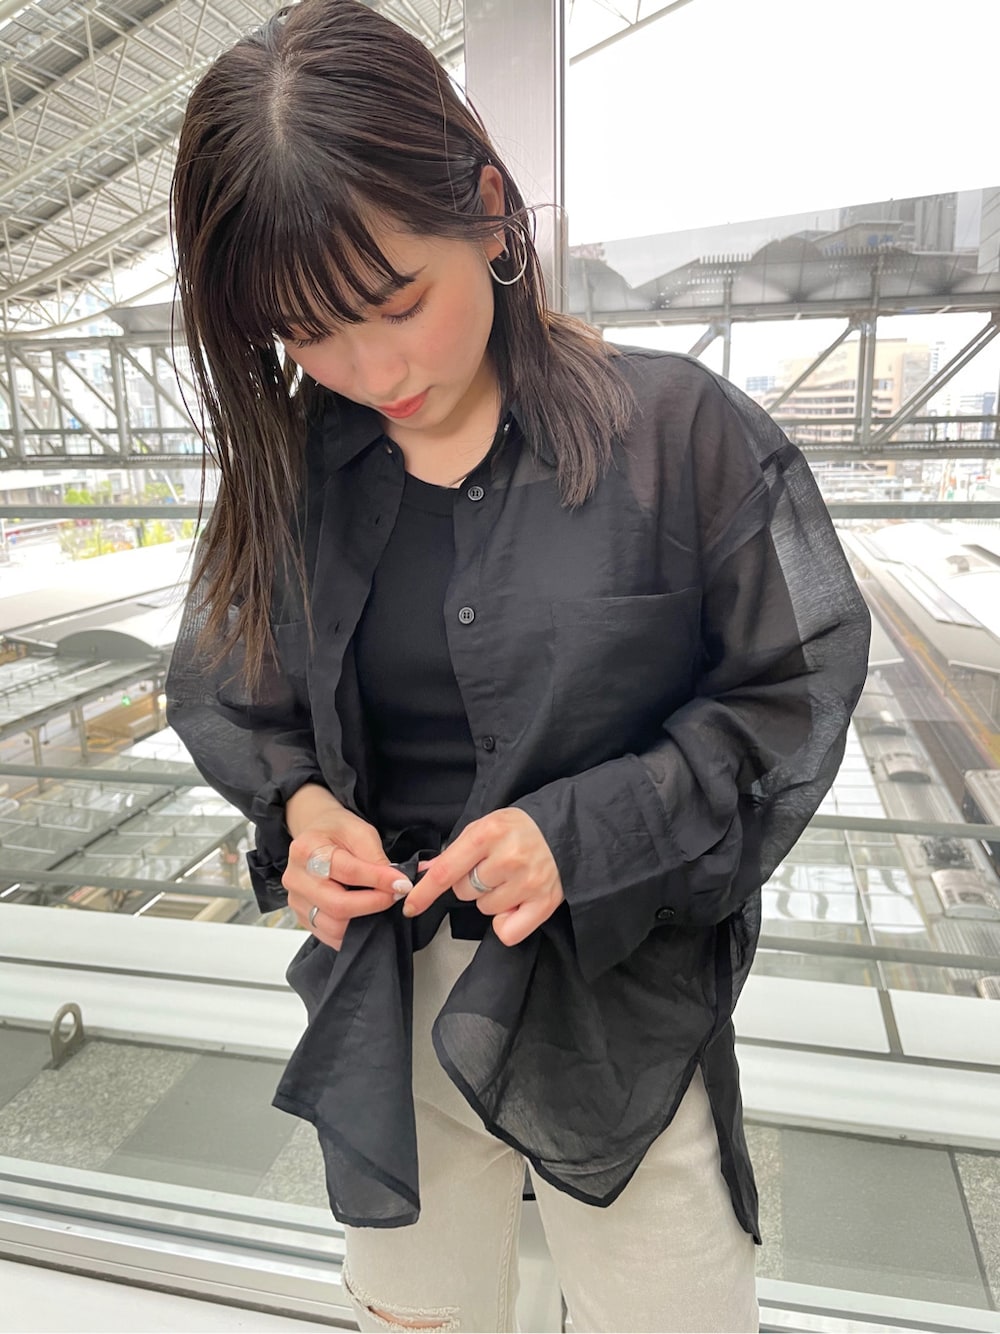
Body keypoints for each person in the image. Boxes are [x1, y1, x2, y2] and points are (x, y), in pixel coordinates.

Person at [164, 2, 871, 1330]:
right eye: (304, 334)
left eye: (396, 304)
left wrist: (581, 833)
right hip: (391, 1003)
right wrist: (303, 813)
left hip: (618, 1013)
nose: (368, 369)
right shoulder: (297, 467)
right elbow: (228, 686)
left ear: (490, 211)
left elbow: (788, 697)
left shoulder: (679, 437)